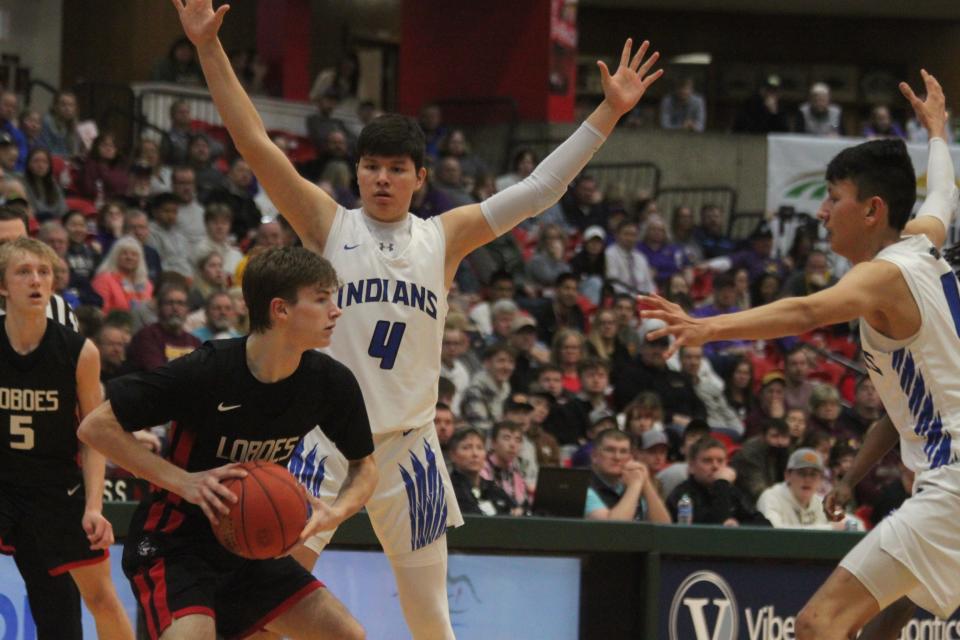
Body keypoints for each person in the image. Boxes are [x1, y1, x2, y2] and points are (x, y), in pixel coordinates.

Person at [176, 1, 662, 635]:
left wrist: (607, 113)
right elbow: (254, 143)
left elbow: (541, 189)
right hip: (320, 441)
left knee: (430, 614)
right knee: (267, 604)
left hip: (410, 448)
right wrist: (210, 47)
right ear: (356, 172)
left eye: (396, 169)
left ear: (419, 178)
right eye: (372, 167)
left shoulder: (445, 236)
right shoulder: (329, 223)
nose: (382, 178)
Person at [641, 70, 960, 638]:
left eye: (833, 199)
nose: (821, 211)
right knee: (888, 618)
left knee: (819, 624)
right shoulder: (923, 240)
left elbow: (806, 312)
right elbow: (942, 193)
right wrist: (938, 130)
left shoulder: (882, 277)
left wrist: (703, 327)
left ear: (872, 210)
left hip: (952, 480)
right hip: (946, 476)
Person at [78, 246, 377, 639]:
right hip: (175, 542)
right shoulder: (208, 370)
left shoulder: (330, 382)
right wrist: (184, 481)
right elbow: (96, 427)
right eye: (321, 299)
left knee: (348, 635)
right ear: (280, 310)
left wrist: (336, 513)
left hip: (252, 545)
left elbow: (365, 466)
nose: (335, 311)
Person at [0, 237, 134, 640]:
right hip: (4, 483)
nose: (36, 280)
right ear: (3, 287)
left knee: (101, 598)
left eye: (43, 272)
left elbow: (93, 437)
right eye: (23, 272)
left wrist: (95, 506)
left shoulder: (80, 352)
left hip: (58, 488)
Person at [666, 437, 771, 527]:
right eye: (707, 461)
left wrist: (738, 525)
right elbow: (711, 529)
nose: (715, 466)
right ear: (692, 466)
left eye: (720, 461)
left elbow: (765, 525)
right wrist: (721, 484)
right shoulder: (682, 496)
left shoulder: (732, 491)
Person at [585, 429, 671, 522]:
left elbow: (664, 526)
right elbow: (611, 529)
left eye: (623, 451)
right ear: (594, 456)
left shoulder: (633, 481)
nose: (617, 457)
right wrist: (634, 486)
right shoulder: (584, 488)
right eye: (610, 450)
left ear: (630, 457)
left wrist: (646, 483)